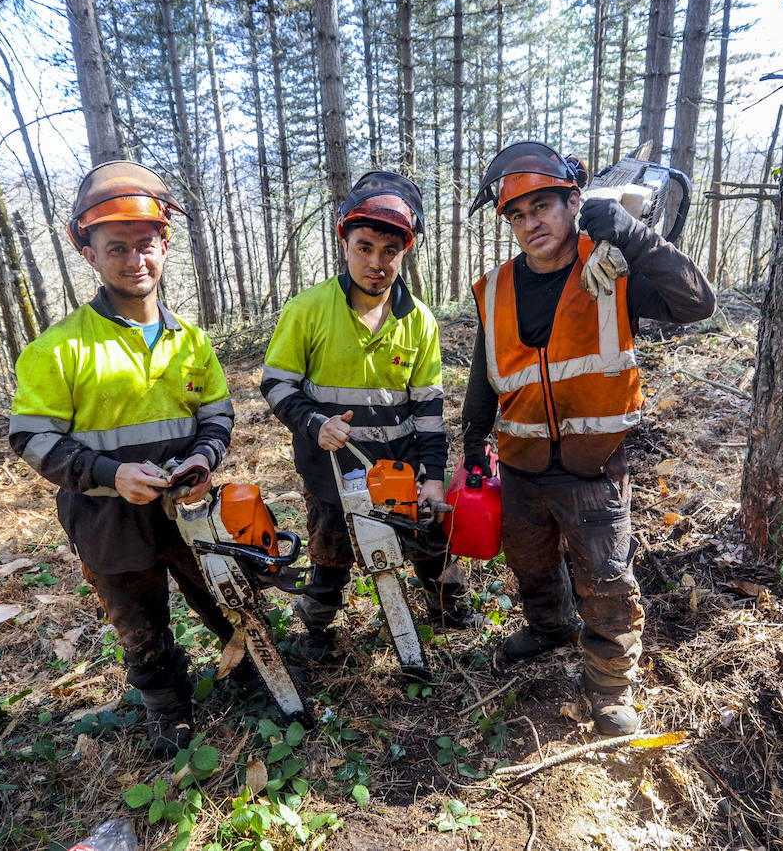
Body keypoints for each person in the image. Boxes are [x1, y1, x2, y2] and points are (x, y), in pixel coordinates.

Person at [461, 141, 715, 735]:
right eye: (517, 215)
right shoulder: (495, 287)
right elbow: (486, 371)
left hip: (594, 464)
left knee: (604, 577)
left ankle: (608, 686)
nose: (531, 224)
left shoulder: (611, 266)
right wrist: (474, 440)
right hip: (521, 463)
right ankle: (549, 629)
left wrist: (635, 237)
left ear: (574, 201)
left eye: (542, 206)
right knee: (528, 562)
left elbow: (697, 303)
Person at [9, 160, 237, 755]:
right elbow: (31, 439)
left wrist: (203, 461)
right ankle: (167, 706)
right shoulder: (57, 349)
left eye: (146, 244)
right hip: (106, 519)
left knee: (222, 596)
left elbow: (216, 415)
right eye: (117, 248)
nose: (135, 260)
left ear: (165, 246)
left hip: (188, 508)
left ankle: (247, 665)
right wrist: (111, 474)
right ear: (89, 253)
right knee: (139, 624)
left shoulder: (190, 340)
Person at [260, 171, 475, 660]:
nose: (376, 263)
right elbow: (276, 384)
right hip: (329, 468)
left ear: (406, 249)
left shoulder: (419, 320)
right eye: (364, 248)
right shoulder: (308, 310)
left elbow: (428, 411)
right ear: (344, 243)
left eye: (389, 251)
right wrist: (316, 424)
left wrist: (433, 477)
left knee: (428, 543)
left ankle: (453, 613)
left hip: (399, 468)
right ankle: (316, 630)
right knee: (329, 550)